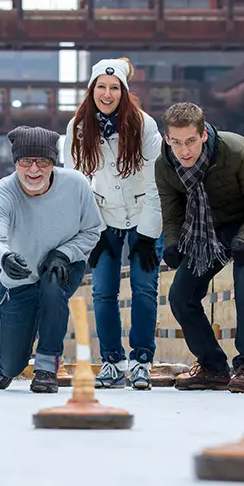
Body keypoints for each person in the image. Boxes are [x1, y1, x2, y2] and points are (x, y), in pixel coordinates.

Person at [156, 102, 244, 393]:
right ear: (166, 139)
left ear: (203, 136)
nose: (184, 151)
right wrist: (172, 244)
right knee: (181, 295)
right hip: (210, 230)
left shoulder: (235, 151)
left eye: (190, 142)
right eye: (176, 142)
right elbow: (173, 214)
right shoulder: (165, 166)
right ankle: (212, 367)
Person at [63, 57, 164, 390]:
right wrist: (93, 231)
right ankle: (112, 361)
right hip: (102, 217)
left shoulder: (144, 126)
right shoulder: (77, 128)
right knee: (104, 291)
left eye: (114, 88)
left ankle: (141, 361)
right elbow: (75, 183)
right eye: (101, 87)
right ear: (92, 90)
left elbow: (156, 183)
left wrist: (148, 236)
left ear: (124, 91)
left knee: (144, 287)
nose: (107, 94)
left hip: (141, 214)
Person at [0, 125, 105, 393]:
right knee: (10, 368)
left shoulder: (76, 185)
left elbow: (93, 230)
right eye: (26, 161)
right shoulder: (2, 194)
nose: (34, 170)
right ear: (16, 162)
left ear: (53, 162)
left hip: (61, 266)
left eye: (43, 161)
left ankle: (47, 367)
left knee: (52, 287)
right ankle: (7, 362)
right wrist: (4, 258)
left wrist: (65, 253)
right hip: (20, 276)